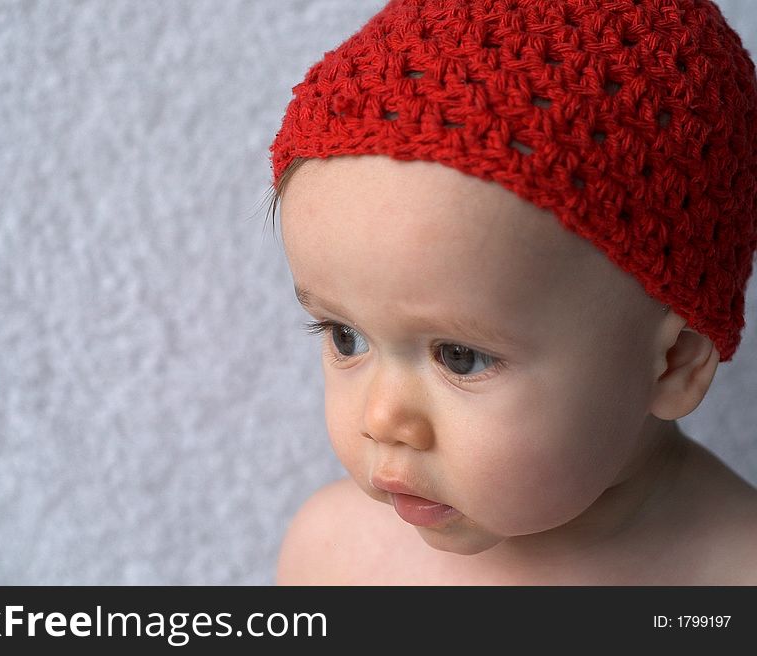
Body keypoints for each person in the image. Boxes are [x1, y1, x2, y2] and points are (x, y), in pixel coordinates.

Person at [266, 0, 757, 584]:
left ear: (673, 364)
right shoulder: (337, 558)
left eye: (459, 356)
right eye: (345, 337)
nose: (382, 419)